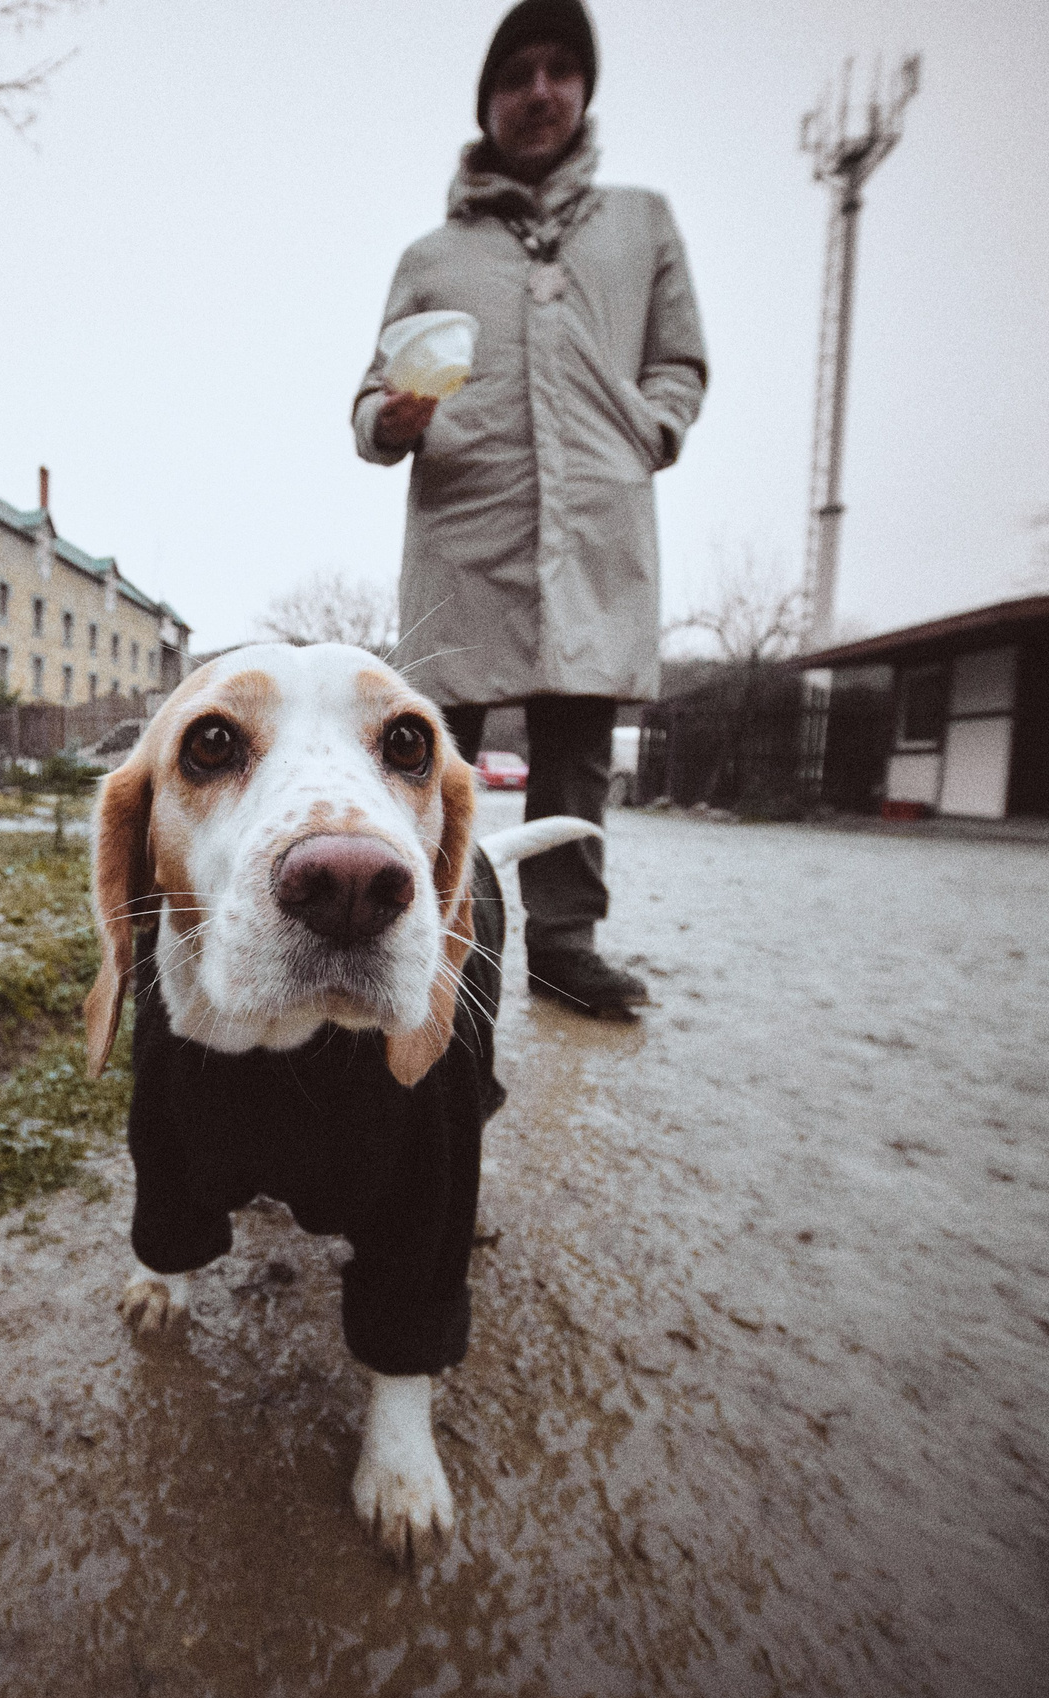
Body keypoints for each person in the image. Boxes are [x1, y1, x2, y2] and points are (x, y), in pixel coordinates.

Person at [353, 0, 706, 1017]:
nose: (540, 90)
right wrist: (395, 416)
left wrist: (651, 431)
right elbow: (366, 408)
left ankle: (561, 941)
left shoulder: (642, 224)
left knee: (576, 741)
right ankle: (436, 930)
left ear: (583, 89)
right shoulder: (433, 257)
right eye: (518, 73)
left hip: (595, 517)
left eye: (560, 69)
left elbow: (679, 362)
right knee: (435, 744)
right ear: (488, 100)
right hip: (468, 524)